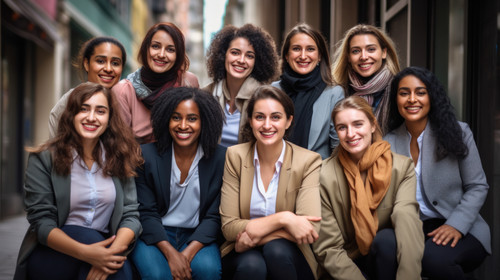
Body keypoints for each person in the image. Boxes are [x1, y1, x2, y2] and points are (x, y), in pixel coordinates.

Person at [14, 82, 143, 280]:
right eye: (84, 109)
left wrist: (109, 256)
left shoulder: (120, 157)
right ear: (71, 114)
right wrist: (87, 253)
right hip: (55, 252)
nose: (91, 117)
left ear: (109, 119)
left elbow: (130, 215)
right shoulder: (44, 158)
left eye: (100, 111)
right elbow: (42, 223)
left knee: (117, 270)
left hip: (105, 247)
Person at [384, 66, 490, 279]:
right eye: (404, 93)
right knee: (381, 245)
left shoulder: (459, 133)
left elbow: (477, 186)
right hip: (411, 226)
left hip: (460, 223)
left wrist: (456, 226)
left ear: (431, 97)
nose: (412, 99)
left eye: (420, 92)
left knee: (433, 258)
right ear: (396, 99)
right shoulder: (388, 142)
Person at [313, 96, 424, 280]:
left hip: (386, 258)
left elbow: (407, 219)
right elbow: (328, 247)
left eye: (358, 124)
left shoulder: (401, 167)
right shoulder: (323, 174)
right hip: (344, 265)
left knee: (387, 240)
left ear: (372, 125)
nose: (350, 134)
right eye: (342, 127)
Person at [220, 85, 322, 280]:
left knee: (276, 251)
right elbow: (229, 227)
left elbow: (310, 229)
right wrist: (284, 219)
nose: (267, 125)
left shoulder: (307, 161)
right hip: (241, 253)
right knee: (252, 265)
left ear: (288, 121)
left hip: (288, 254)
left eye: (275, 117)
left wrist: (256, 236)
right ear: (250, 121)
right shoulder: (235, 156)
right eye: (259, 117)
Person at [131, 87, 225, 280]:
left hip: (197, 235)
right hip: (156, 234)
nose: (183, 125)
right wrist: (170, 253)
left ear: (204, 122)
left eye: (192, 118)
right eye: (176, 117)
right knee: (158, 275)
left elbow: (215, 216)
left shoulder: (221, 158)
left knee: (208, 271)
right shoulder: (146, 156)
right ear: (166, 119)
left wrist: (187, 253)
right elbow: (146, 212)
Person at [113, 22, 199, 144]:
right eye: (156, 46)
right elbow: (121, 145)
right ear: (146, 49)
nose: (161, 55)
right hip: (139, 161)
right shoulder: (123, 91)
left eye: (170, 49)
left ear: (178, 54)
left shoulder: (188, 82)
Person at [271, 23, 344, 159]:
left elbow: (338, 148)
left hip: (318, 174)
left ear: (320, 56)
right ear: (286, 55)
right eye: (296, 49)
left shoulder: (334, 93)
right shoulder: (273, 91)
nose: (303, 56)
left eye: (310, 49)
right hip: (276, 174)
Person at [204, 23, 278, 147]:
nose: (241, 60)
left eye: (249, 56)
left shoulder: (264, 97)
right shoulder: (206, 94)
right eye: (235, 53)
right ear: (224, 55)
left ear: (257, 62)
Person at [49, 36, 127, 137]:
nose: (108, 68)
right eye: (100, 61)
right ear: (86, 64)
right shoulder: (71, 100)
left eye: (115, 63)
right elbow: (56, 145)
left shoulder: (126, 101)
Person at [332, 24, 400, 134]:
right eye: (356, 51)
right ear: (348, 57)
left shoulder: (398, 90)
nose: (363, 57)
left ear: (384, 52)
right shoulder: (338, 93)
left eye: (371, 49)